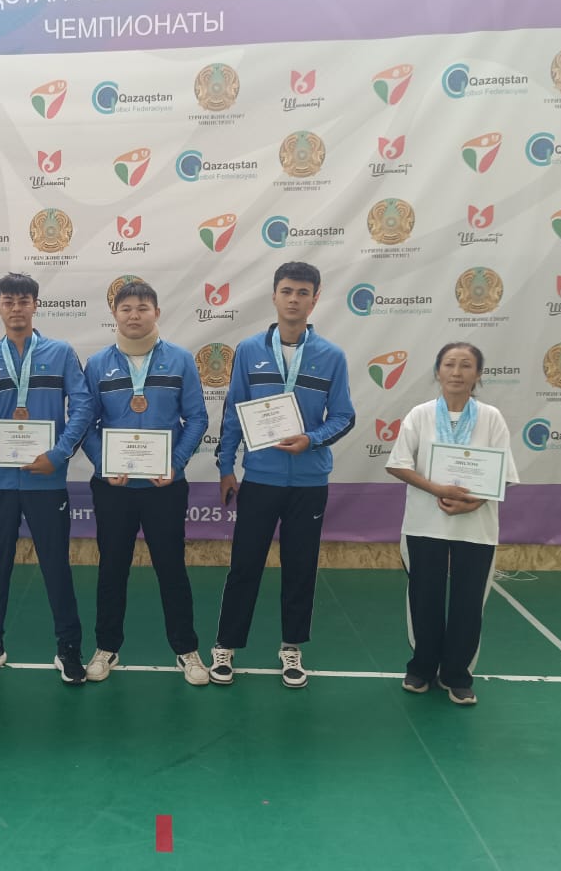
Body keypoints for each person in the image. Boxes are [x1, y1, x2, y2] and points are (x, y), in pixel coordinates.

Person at [212, 262, 355, 688]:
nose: (294, 299)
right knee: (244, 566)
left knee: (300, 567)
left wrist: (311, 439)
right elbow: (234, 413)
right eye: (287, 291)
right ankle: (226, 645)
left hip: (309, 483)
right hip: (260, 479)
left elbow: (344, 416)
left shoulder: (332, 356)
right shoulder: (249, 350)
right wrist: (225, 468)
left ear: (315, 299)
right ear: (274, 296)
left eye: (303, 292)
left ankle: (291, 647)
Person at [0, 273, 94, 685]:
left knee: (56, 566)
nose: (16, 308)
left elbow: (83, 407)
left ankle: (69, 648)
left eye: (23, 301)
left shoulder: (61, 353)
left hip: (47, 479)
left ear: (35, 305)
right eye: (8, 301)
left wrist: (58, 455)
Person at [81, 281, 210, 685]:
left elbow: (198, 418)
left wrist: (175, 462)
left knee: (172, 568)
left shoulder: (181, 359)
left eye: (142, 307)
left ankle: (186, 650)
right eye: (126, 308)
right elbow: (85, 422)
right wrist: (103, 463)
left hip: (164, 487)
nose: (134, 315)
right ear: (115, 314)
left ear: (156, 312)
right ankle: (106, 647)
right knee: (111, 568)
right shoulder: (97, 364)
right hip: (114, 488)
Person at [385, 342, 519, 706]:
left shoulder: (491, 417)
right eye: (449, 364)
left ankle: (457, 675)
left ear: (478, 374)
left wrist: (472, 502)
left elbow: (503, 473)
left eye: (466, 365)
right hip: (424, 524)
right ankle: (421, 668)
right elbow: (398, 464)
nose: (457, 372)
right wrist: (438, 489)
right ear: (437, 371)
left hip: (476, 527)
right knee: (424, 599)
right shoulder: (420, 415)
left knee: (468, 603)